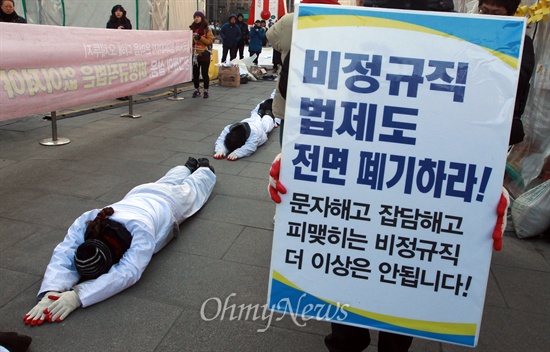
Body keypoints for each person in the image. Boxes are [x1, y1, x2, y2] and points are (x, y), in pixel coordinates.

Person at [23, 157, 216, 326]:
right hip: (141, 193)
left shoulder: (140, 230)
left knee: (193, 189)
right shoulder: (91, 219)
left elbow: (129, 271)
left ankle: (205, 169)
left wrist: (79, 296)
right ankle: (186, 167)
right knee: (167, 181)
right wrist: (52, 290)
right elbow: (66, 251)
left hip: (169, 203)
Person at [477, 0, 535, 146]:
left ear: (511, 14)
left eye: (496, 13)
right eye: (484, 11)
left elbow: (518, 80)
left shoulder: (521, 43)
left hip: (496, 123)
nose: (489, 17)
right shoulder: (465, 38)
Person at [214, 91, 277, 161]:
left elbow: (250, 146)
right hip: (249, 122)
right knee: (255, 116)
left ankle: (268, 114)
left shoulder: (254, 134)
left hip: (260, 128)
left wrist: (237, 153)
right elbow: (221, 138)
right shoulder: (229, 127)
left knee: (268, 122)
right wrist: (221, 150)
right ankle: (261, 113)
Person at [106, 4, 132, 101]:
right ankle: (118, 93)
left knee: (126, 72)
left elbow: (130, 33)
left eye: (120, 11)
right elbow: (108, 35)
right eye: (116, 11)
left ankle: (126, 92)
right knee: (118, 72)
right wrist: (116, 31)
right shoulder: (110, 23)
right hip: (116, 51)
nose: (118, 12)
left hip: (125, 50)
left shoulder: (127, 22)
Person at [190, 11, 214, 99]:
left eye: (198, 17)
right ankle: (196, 90)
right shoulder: (192, 28)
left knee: (204, 73)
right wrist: (193, 39)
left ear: (202, 18)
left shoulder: (207, 29)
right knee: (195, 74)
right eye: (195, 17)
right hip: (195, 54)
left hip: (204, 54)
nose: (196, 19)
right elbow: (189, 42)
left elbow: (210, 41)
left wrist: (200, 38)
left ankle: (206, 90)